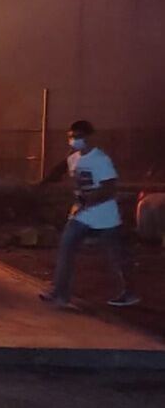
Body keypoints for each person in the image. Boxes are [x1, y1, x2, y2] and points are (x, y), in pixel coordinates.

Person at [38, 120, 139, 308]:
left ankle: (130, 292)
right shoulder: (73, 158)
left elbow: (109, 189)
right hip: (81, 215)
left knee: (117, 256)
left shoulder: (101, 160)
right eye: (71, 136)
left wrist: (87, 200)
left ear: (89, 137)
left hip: (105, 216)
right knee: (66, 249)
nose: (74, 140)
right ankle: (60, 294)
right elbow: (59, 170)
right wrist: (43, 184)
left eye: (78, 137)